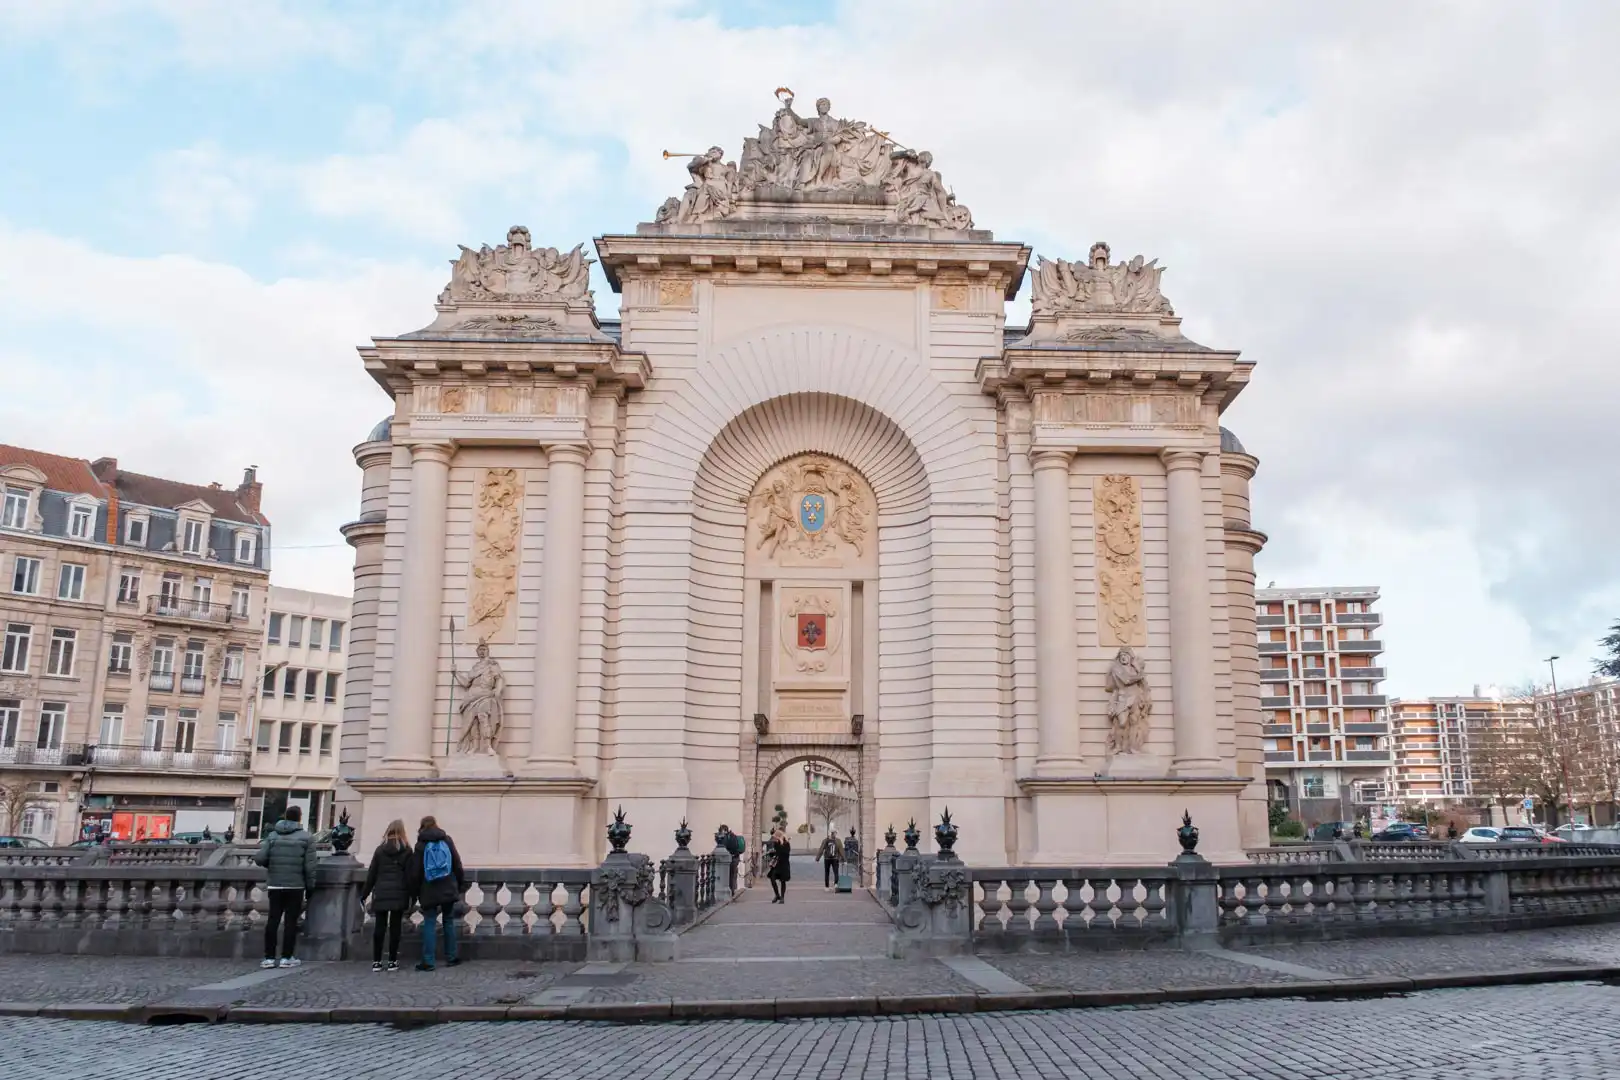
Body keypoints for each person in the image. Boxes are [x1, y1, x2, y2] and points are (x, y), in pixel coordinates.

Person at [254, 805, 316, 969]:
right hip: (295, 885)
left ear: (285, 816)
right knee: (290, 922)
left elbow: (259, 858)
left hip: (275, 884)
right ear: (299, 818)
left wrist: (272, 864)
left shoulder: (273, 836)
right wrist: (311, 886)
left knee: (273, 920)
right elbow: (310, 866)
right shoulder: (306, 837)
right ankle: (286, 957)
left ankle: (268, 957)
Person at [409, 815, 467, 971]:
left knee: (429, 922)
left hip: (429, 888)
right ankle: (452, 956)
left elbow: (416, 872)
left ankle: (428, 961)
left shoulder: (421, 845)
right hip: (448, 886)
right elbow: (457, 863)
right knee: (448, 920)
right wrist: (458, 884)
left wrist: (415, 892)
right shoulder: (446, 840)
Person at [361, 818, 413, 972]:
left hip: (382, 891)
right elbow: (410, 876)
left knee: (380, 926)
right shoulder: (407, 850)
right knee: (395, 927)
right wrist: (412, 894)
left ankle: (376, 961)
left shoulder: (380, 850)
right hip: (399, 892)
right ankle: (392, 961)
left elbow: (372, 874)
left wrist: (364, 894)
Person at [766, 828, 793, 904]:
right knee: (772, 878)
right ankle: (777, 894)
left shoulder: (786, 843)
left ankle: (782, 897)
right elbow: (777, 853)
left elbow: (785, 853)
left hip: (784, 864)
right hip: (777, 864)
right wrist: (771, 853)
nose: (774, 839)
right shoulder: (776, 843)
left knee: (783, 881)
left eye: (776, 837)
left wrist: (781, 843)